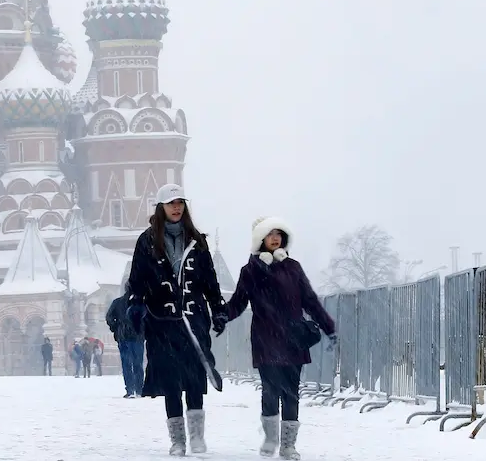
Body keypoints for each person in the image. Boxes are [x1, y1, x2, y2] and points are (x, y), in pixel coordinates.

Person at [223, 217, 336, 460]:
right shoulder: (250, 271)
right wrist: (221, 316)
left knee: (291, 392)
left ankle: (288, 446)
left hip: (293, 338)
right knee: (270, 390)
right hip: (265, 339)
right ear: (260, 239)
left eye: (278, 234)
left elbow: (310, 299)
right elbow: (238, 303)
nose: (275, 238)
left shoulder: (293, 267)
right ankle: (271, 437)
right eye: (270, 234)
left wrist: (328, 326)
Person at [126, 183, 227, 456]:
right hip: (162, 321)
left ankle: (197, 437)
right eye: (171, 203)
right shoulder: (146, 241)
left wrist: (217, 308)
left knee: (194, 377)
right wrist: (135, 305)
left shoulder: (197, 240)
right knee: (171, 380)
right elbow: (137, 279)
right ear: (161, 207)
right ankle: (178, 440)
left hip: (194, 320)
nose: (176, 207)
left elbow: (209, 279)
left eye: (180, 202)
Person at [107, 279, 146, 398]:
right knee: (137, 364)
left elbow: (109, 317)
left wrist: (116, 328)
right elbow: (146, 319)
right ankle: (138, 389)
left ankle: (131, 389)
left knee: (127, 364)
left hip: (125, 336)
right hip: (135, 336)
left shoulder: (118, 302)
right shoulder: (141, 304)